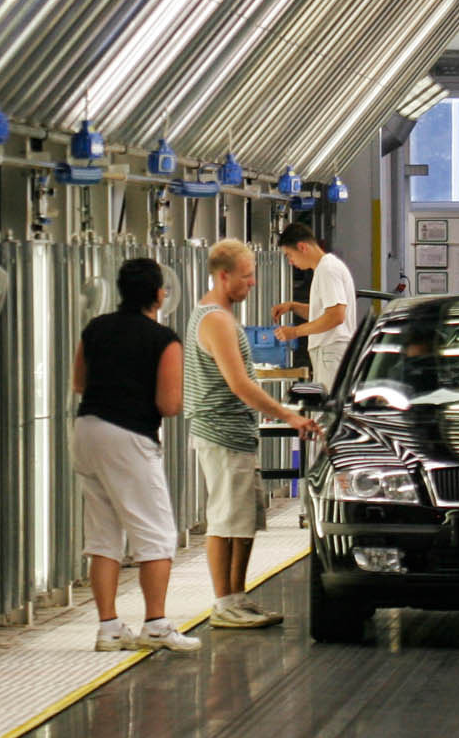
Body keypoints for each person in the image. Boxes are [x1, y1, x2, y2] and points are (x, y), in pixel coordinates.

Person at [71, 258, 199, 652]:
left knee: (103, 534)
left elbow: (79, 383)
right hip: (128, 438)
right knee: (157, 534)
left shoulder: (95, 328)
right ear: (160, 294)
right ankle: (156, 624)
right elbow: (169, 405)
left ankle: (108, 628)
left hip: (87, 430)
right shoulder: (164, 339)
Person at [192, 239, 320, 629]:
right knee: (226, 519)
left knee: (244, 519)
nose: (252, 283)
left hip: (237, 432)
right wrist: (289, 416)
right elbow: (240, 384)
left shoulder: (224, 318)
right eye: (246, 276)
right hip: (221, 432)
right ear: (223, 276)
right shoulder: (215, 320)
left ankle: (237, 598)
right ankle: (223, 603)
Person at [273, 223, 359, 386]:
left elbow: (335, 316)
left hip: (331, 352)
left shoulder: (327, 269)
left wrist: (295, 332)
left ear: (302, 247)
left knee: (328, 401)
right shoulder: (325, 268)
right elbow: (324, 314)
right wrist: (292, 306)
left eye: (289, 255)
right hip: (330, 353)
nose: (290, 261)